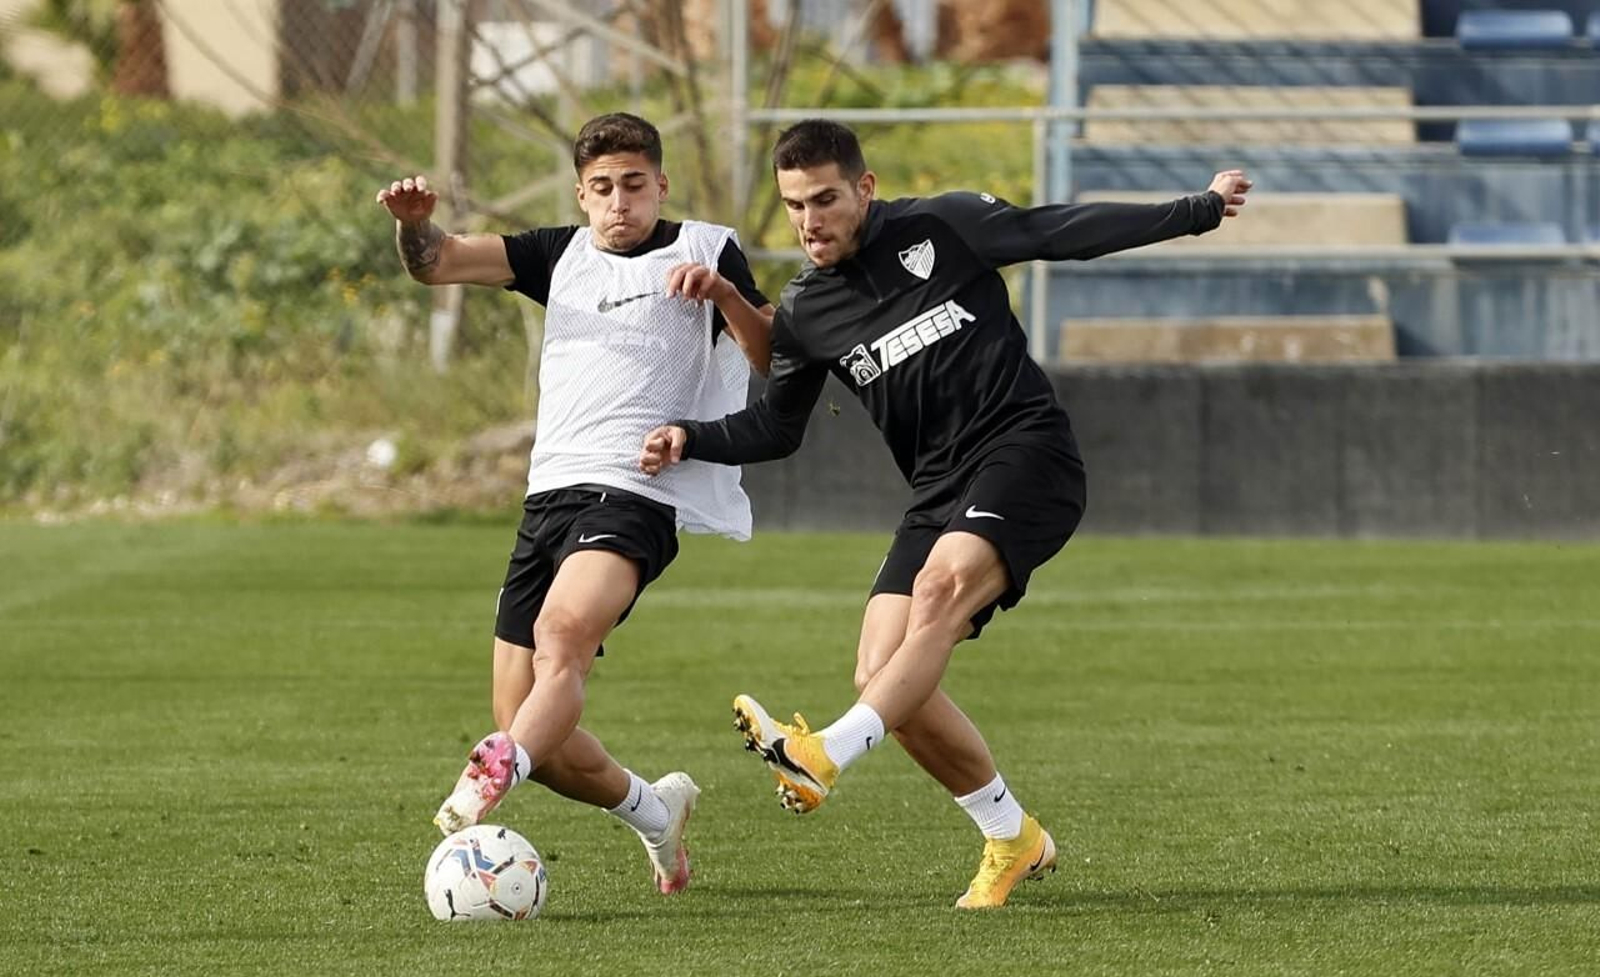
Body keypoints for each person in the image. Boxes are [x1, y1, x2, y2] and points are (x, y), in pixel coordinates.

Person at [640, 119, 1249, 908]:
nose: (808, 221)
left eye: (824, 199)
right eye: (794, 205)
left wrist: (1197, 209)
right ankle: (1011, 835)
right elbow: (777, 428)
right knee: (883, 676)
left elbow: (1058, 231)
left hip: (1026, 453)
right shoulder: (809, 307)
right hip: (937, 492)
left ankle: (824, 754)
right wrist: (691, 437)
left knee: (936, 594)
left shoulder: (943, 225)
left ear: (865, 188)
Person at [378, 112, 774, 896]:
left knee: (561, 639)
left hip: (635, 492)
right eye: (603, 187)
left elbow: (770, 355)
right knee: (533, 723)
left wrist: (726, 293)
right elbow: (438, 263)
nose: (620, 201)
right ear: (581, 194)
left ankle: (494, 770)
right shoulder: (555, 254)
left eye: (635, 184)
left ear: (661, 184)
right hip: (548, 497)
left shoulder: (706, 248)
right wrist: (415, 226)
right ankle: (656, 811)